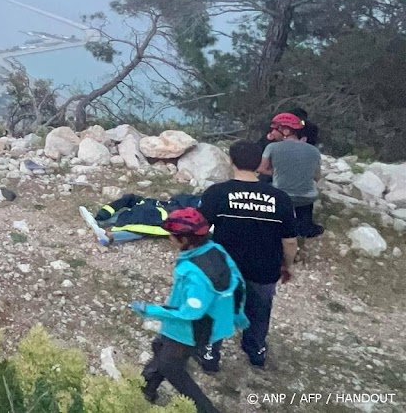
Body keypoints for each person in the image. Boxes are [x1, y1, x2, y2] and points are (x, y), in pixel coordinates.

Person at [130, 208, 248, 413]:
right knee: (160, 347)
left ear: (185, 239)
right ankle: (146, 389)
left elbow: (190, 313)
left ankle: (205, 409)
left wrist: (150, 310)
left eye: (172, 235)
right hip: (207, 323)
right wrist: (238, 314)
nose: (169, 238)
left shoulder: (194, 273)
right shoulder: (216, 250)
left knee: (171, 366)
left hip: (190, 330)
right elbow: (238, 283)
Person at [197, 140, 297, 371]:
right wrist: (287, 265)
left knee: (219, 308)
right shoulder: (280, 198)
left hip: (225, 268)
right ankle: (256, 351)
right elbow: (290, 241)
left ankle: (211, 355)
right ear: (259, 164)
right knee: (260, 310)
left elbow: (199, 230)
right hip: (264, 268)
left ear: (231, 161)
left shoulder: (217, 193)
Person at [260, 113, 324, 239]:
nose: (272, 133)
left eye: (275, 129)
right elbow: (317, 177)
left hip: (282, 197)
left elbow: (262, 169)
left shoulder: (272, 147)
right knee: (305, 193)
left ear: (286, 130)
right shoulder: (314, 150)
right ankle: (305, 227)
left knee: (263, 182)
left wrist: (277, 172)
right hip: (307, 197)